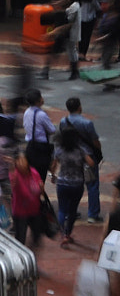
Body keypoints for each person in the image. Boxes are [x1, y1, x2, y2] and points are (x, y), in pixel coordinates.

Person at [59, 96, 105, 225]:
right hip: (87, 157)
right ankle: (93, 214)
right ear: (80, 107)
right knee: (92, 185)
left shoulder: (64, 121)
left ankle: (70, 212)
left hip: (71, 156)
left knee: (71, 182)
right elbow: (95, 141)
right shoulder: (87, 123)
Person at [54, 127, 91, 245]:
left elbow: (54, 165)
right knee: (72, 210)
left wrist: (53, 175)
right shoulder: (81, 149)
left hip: (62, 182)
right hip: (77, 183)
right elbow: (91, 163)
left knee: (62, 209)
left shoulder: (59, 150)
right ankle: (67, 233)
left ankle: (61, 233)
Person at [9, 152, 45, 249]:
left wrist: (41, 188)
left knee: (37, 235)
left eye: (23, 160)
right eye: (19, 161)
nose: (21, 163)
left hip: (34, 210)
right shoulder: (15, 174)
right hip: (20, 212)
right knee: (20, 238)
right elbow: (13, 183)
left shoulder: (34, 173)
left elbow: (41, 193)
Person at [23, 89, 58, 182]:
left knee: (31, 175)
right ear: (38, 101)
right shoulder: (41, 114)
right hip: (41, 149)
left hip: (30, 146)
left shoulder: (27, 112)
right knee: (40, 176)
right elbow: (52, 130)